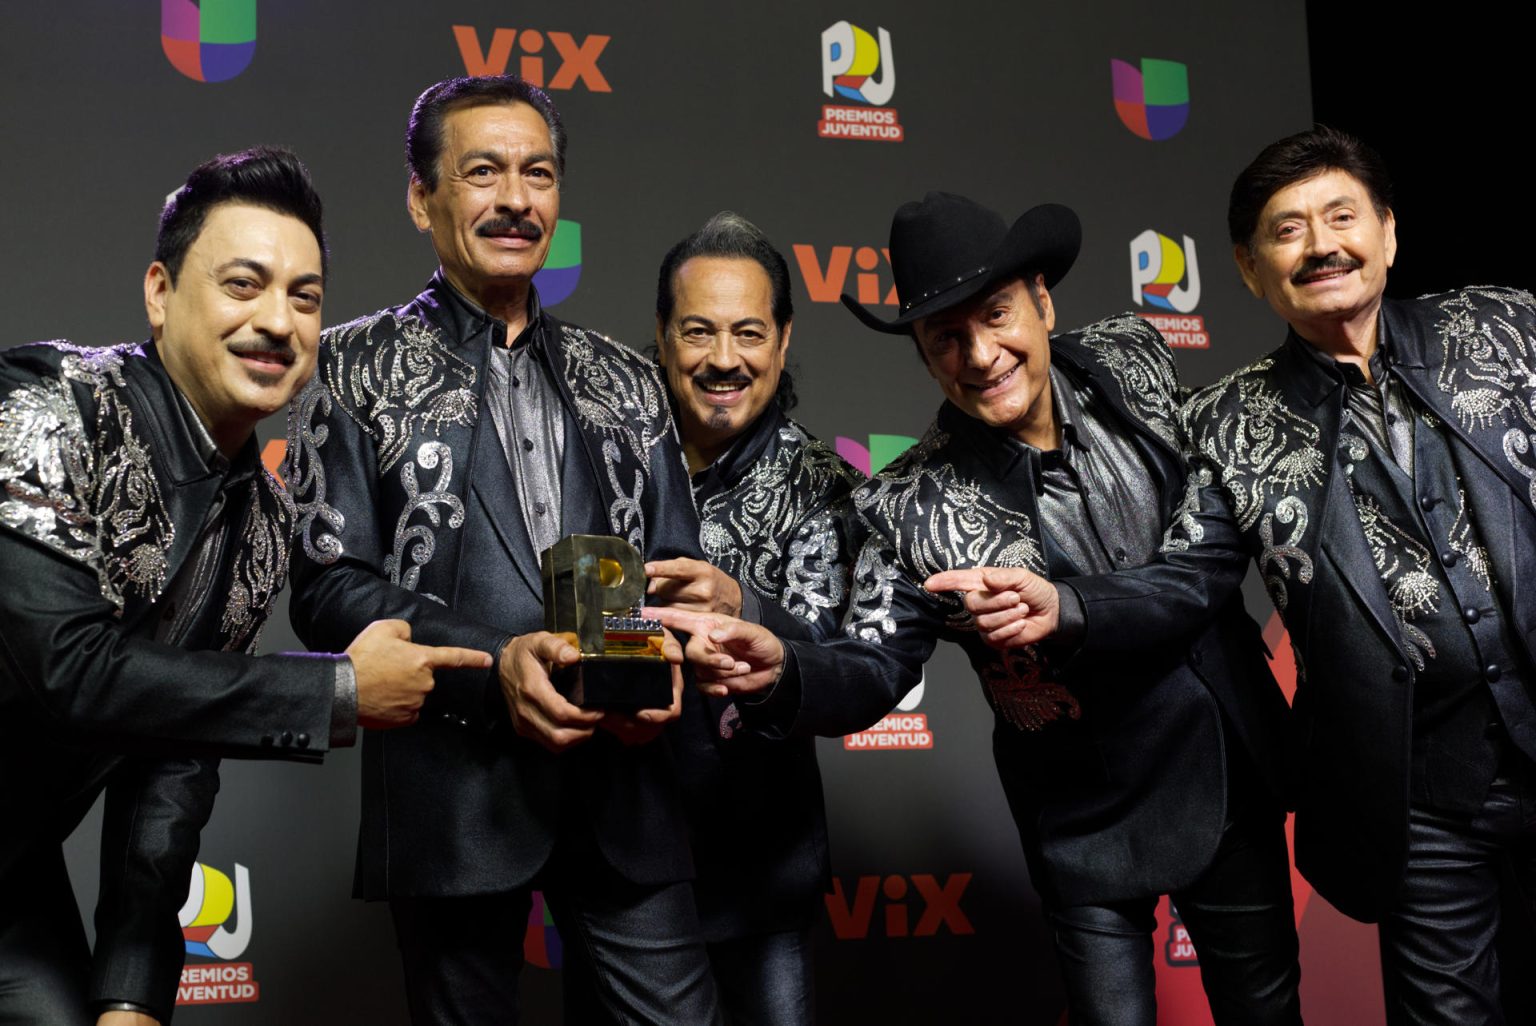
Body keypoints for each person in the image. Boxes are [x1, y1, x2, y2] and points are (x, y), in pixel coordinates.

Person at [658, 192, 1302, 1025]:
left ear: (1042, 301)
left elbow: (1204, 567)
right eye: (946, 338)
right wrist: (783, 667)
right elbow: (870, 664)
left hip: (1228, 770)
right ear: (925, 358)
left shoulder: (1134, 358)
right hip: (1083, 813)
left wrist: (1068, 607)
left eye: (996, 315)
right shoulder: (907, 506)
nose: (981, 353)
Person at [1006, 126, 1536, 1024]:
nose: (1323, 243)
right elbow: (1184, 579)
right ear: (1250, 271)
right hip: (1416, 802)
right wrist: (1065, 604)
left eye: (1341, 216)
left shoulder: (1502, 325)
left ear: (1389, 233)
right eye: (1288, 231)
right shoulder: (1227, 421)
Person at [0, 147, 489, 1026]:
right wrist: (337, 689)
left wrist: (131, 996)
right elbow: (65, 668)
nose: (277, 322)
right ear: (160, 292)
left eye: (304, 298)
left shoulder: (264, 525)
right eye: (243, 285)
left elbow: (174, 767)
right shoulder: (46, 412)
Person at [284, 76, 722, 1024]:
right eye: (482, 172)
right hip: (453, 799)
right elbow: (326, 587)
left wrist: (672, 657)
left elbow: (680, 575)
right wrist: (495, 665)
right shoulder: (354, 367)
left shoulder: (626, 379)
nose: (516, 199)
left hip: (629, 792)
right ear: (421, 197)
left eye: (539, 174)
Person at [647, 212, 863, 1022]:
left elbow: (834, 662)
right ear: (664, 337)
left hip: (762, 859)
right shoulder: (611, 461)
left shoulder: (822, 485)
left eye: (748, 332)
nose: (724, 360)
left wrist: (743, 605)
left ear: (781, 340)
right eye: (699, 331)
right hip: (628, 855)